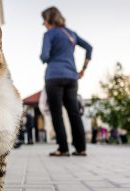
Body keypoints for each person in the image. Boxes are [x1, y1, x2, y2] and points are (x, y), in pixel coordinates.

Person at [40, 6, 92, 157]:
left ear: (48, 20)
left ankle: (63, 148)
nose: (43, 23)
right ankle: (81, 148)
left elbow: (44, 56)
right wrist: (83, 69)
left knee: (57, 113)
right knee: (74, 112)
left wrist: (47, 57)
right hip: (71, 77)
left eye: (43, 19)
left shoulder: (49, 34)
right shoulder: (71, 33)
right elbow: (89, 48)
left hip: (54, 76)